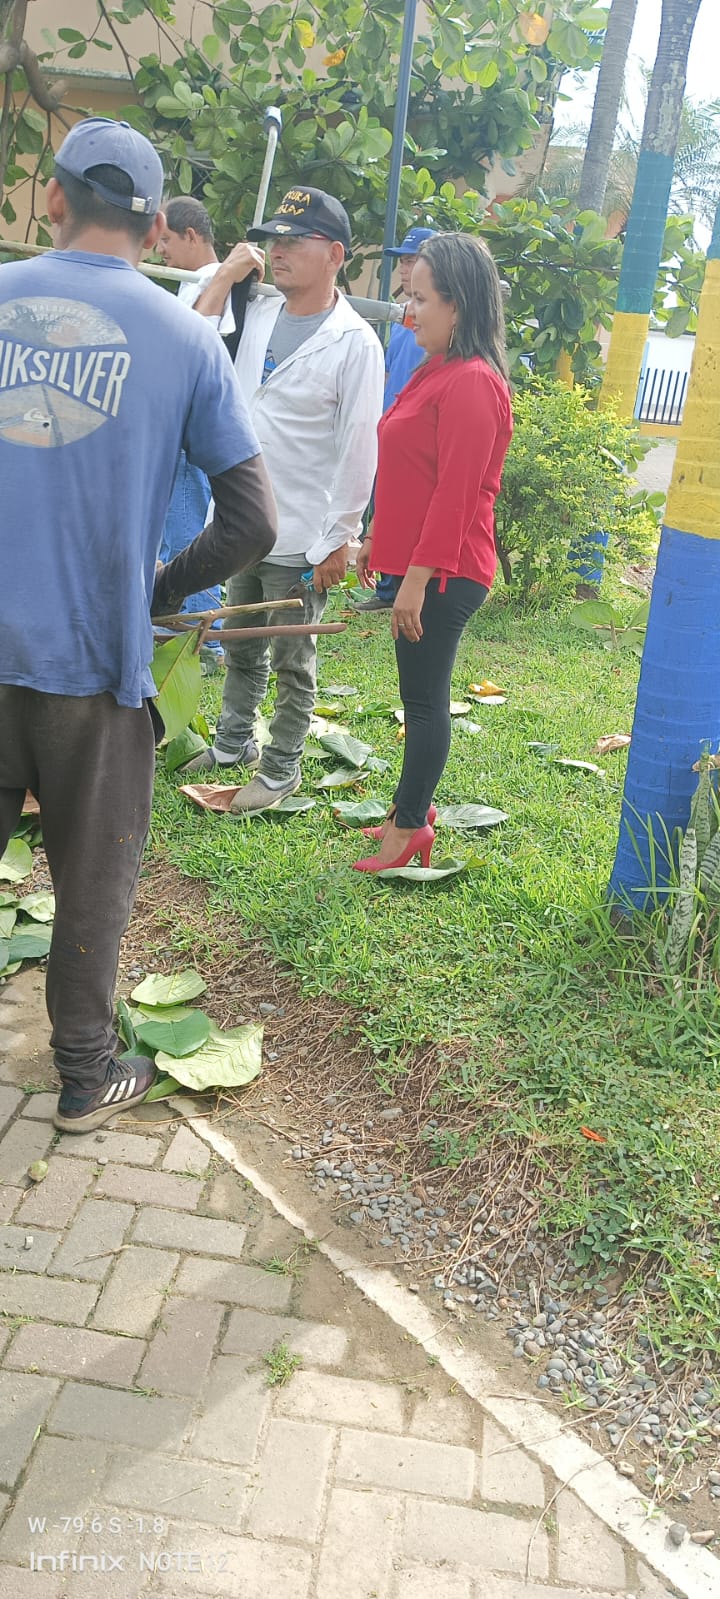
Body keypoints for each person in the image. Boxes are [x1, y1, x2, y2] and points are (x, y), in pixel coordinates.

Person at [0, 117, 277, 1132]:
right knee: (93, 874)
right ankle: (83, 1074)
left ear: (56, 200)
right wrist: (160, 590)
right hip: (94, 658)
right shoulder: (186, 340)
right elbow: (253, 521)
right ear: (157, 226)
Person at [183, 185, 384, 812]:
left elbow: (359, 448)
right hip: (242, 522)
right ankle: (232, 745)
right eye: (274, 240)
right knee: (240, 641)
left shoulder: (356, 343)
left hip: (303, 530)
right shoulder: (257, 308)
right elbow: (193, 340)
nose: (280, 251)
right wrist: (226, 273)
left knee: (294, 658)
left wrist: (340, 538)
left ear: (336, 255)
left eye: (296, 241)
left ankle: (281, 769)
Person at [353, 232, 513, 873]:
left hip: (447, 571)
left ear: (459, 305)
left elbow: (455, 496)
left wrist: (415, 582)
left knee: (423, 703)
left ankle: (411, 828)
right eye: (409, 297)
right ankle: (408, 809)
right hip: (420, 566)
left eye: (421, 299)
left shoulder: (472, 382)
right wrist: (375, 538)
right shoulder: (436, 368)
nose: (409, 311)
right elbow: (407, 470)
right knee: (416, 695)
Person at [355, 225, 437, 614]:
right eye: (402, 262)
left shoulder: (436, 327)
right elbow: (387, 376)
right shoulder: (402, 321)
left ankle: (404, 587)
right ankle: (387, 588)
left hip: (417, 436)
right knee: (384, 505)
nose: (405, 270)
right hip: (388, 430)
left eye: (412, 260)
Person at [156, 198, 224, 662]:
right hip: (175, 432)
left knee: (188, 538)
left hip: (190, 436)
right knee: (172, 538)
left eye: (166, 239)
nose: (159, 249)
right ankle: (178, 631)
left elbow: (198, 343)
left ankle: (203, 638)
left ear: (191, 236)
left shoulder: (216, 283)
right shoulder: (191, 284)